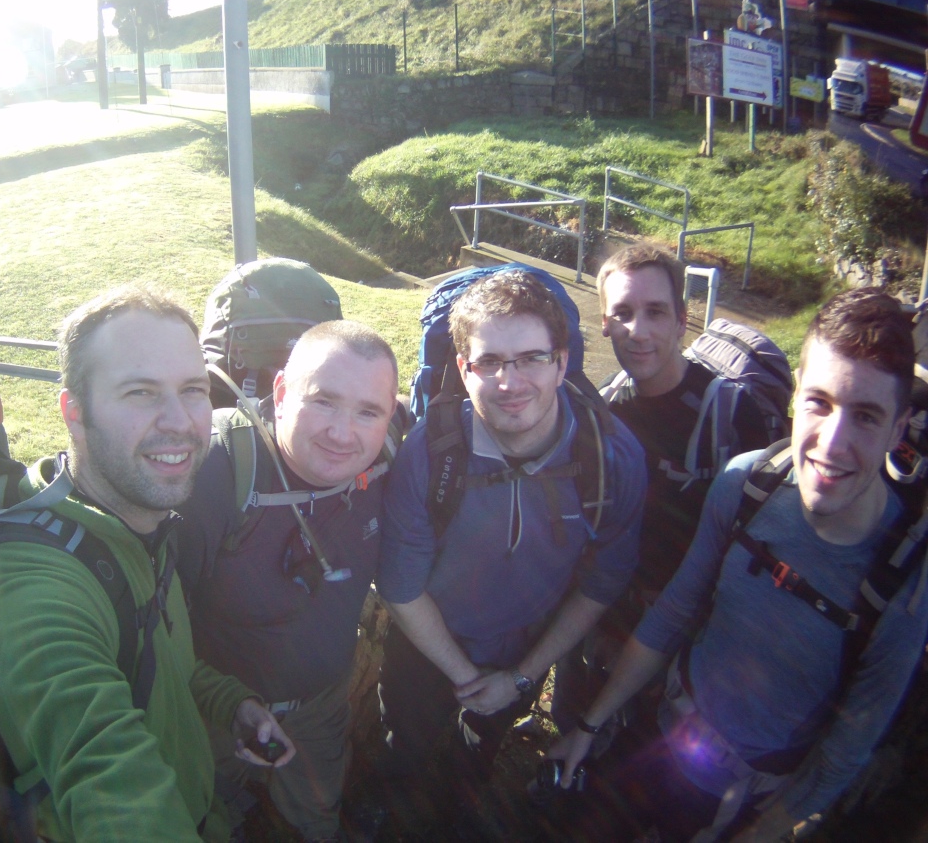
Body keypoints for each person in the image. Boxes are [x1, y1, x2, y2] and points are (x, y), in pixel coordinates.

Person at [550, 288, 928, 843]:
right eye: (820, 402)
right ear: (797, 396)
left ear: (899, 430)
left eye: (867, 416)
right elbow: (676, 609)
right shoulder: (749, 482)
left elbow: (847, 748)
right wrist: (591, 723)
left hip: (744, 799)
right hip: (660, 731)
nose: (833, 443)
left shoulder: (907, 578)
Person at [0, 285, 294, 843]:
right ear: (74, 411)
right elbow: (103, 769)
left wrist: (230, 703)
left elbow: (168, 665)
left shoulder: (138, 517)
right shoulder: (30, 588)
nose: (181, 421)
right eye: (140, 392)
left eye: (192, 389)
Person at [376, 268, 645, 817]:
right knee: (406, 739)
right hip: (427, 646)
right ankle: (394, 807)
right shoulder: (430, 454)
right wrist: (470, 679)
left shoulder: (610, 459)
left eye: (531, 358)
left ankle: (454, 808)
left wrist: (519, 678)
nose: (510, 381)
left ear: (562, 362)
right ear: (463, 368)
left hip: (525, 651)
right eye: (490, 362)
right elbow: (401, 588)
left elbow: (603, 582)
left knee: (477, 756)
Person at [177, 320, 401, 843]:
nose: (343, 433)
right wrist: (222, 706)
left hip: (321, 707)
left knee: (316, 822)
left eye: (368, 412)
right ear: (280, 391)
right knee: (202, 817)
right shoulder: (217, 470)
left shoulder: (391, 465)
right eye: (323, 401)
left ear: (390, 416)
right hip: (209, 714)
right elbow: (156, 619)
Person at [551, 246, 775, 734]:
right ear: (605, 324)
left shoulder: (732, 416)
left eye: (656, 312)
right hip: (604, 607)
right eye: (623, 314)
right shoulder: (604, 407)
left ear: (682, 320)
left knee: (641, 755)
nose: (639, 330)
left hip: (685, 626)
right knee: (571, 723)